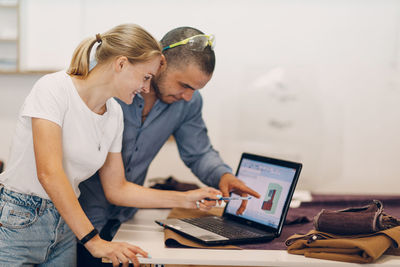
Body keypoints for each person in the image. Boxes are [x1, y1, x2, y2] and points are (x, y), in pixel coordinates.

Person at [0, 24, 221, 267]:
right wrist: (94, 241)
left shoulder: (114, 113)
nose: (146, 88)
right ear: (121, 64)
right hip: (20, 219)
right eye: (146, 77)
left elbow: (117, 188)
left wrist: (186, 199)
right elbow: (49, 173)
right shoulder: (53, 88)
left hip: (65, 225)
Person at [78, 26, 261, 265]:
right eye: (184, 85)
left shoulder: (188, 102)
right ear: (161, 62)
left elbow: (199, 151)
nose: (187, 96)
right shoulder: (112, 88)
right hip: (79, 218)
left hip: (125, 217)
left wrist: (223, 175)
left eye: (195, 90)